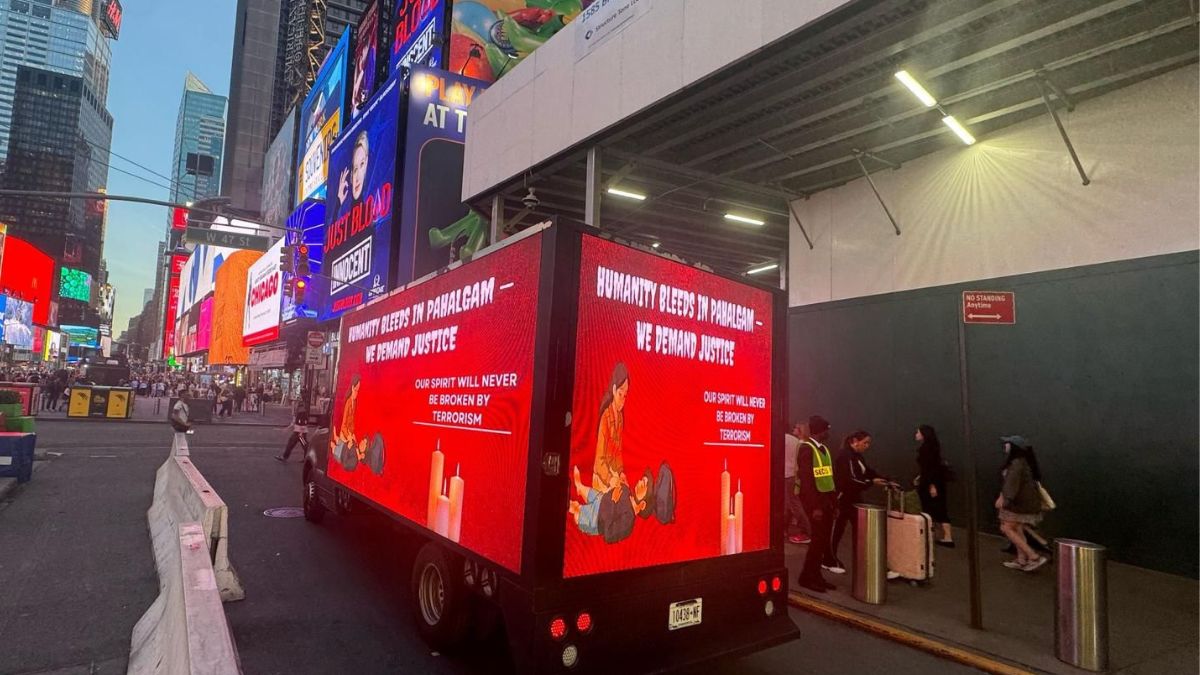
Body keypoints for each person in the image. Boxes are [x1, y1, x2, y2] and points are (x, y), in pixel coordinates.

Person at [826, 430, 891, 573]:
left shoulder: (857, 457)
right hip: (843, 499)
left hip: (854, 498)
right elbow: (850, 480)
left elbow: (867, 471)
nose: (867, 446)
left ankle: (874, 563)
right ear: (855, 441)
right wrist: (871, 482)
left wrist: (884, 479)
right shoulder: (845, 456)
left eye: (868, 443)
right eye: (865, 442)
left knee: (863, 530)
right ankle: (828, 560)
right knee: (837, 530)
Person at [796, 415, 837, 593]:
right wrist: (816, 507)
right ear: (821, 431)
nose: (829, 432)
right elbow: (807, 481)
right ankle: (807, 577)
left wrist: (833, 504)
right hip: (815, 504)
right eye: (827, 429)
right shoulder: (807, 449)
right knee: (817, 541)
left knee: (822, 541)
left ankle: (816, 575)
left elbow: (827, 478)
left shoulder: (824, 450)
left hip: (826, 501)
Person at [996, 436, 1049, 571]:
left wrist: (1004, 499)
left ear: (1014, 447)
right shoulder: (1023, 462)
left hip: (1019, 504)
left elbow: (1011, 485)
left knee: (1006, 528)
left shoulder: (1017, 464)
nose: (1005, 445)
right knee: (1017, 528)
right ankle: (1021, 560)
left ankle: (1033, 556)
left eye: (1008, 443)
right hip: (1023, 502)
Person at [591, 363, 629, 494]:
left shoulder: (620, 418)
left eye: (625, 396)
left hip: (613, 479)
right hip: (601, 480)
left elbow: (618, 453)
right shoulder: (605, 418)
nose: (623, 400)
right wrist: (610, 479)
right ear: (613, 390)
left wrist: (621, 472)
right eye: (620, 394)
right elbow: (599, 460)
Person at [914, 424, 954, 547]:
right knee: (938, 509)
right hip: (934, 482)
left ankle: (939, 536)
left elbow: (930, 468)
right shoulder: (933, 447)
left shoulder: (926, 449)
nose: (916, 434)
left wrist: (932, 485)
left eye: (918, 432)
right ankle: (945, 537)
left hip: (931, 483)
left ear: (924, 434)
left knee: (932, 509)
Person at [784, 422, 811, 545]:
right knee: (790, 503)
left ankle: (807, 531)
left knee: (793, 504)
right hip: (793, 475)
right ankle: (785, 528)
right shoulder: (795, 441)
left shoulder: (783, 439)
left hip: (787, 475)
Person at [275, 389, 311, 463]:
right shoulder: (304, 404)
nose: (299, 397)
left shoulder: (302, 404)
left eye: (300, 395)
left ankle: (285, 457)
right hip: (300, 430)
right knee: (298, 443)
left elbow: (302, 418)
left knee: (303, 444)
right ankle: (285, 457)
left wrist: (300, 430)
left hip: (299, 431)